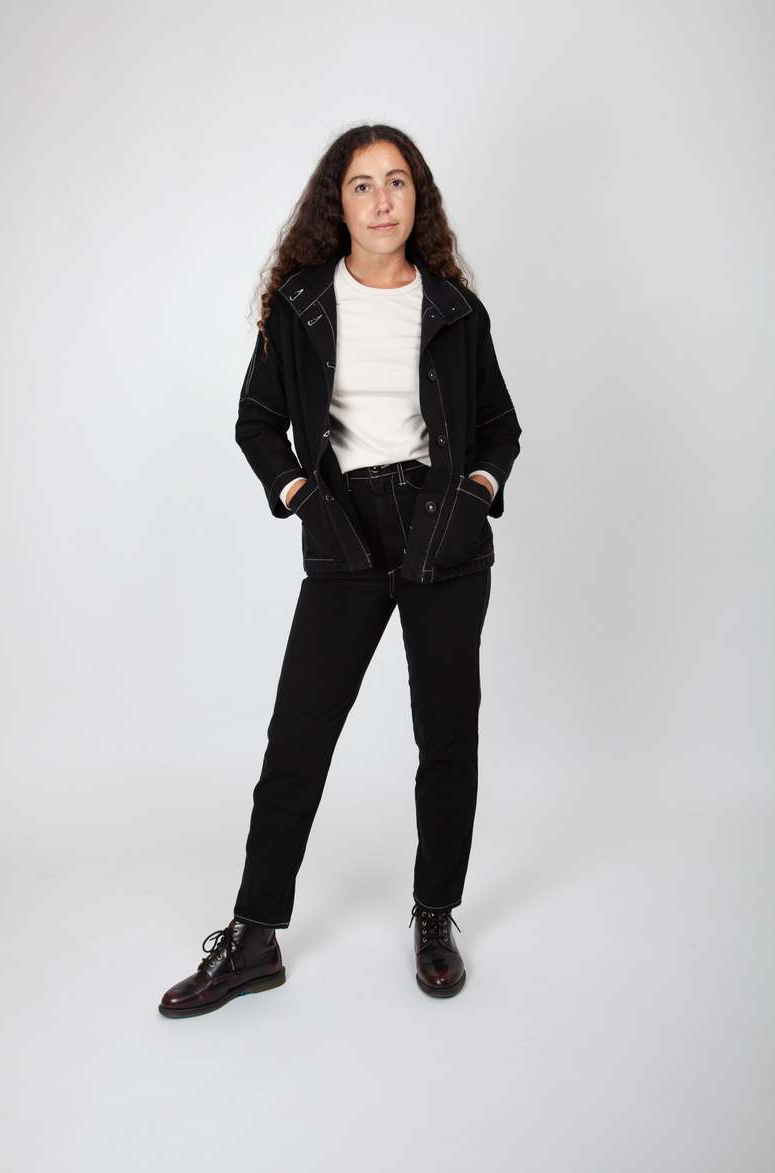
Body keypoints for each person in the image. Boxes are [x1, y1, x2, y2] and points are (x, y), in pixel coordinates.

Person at [158, 124, 522, 1018]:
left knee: (447, 738)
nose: (382, 200)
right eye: (363, 185)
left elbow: (499, 428)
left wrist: (475, 493)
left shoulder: (455, 309)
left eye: (397, 182)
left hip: (444, 534)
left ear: (417, 198)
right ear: (340, 203)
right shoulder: (302, 306)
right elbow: (256, 420)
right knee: (298, 738)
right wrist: (304, 498)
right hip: (344, 533)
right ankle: (254, 940)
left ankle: (433, 916)